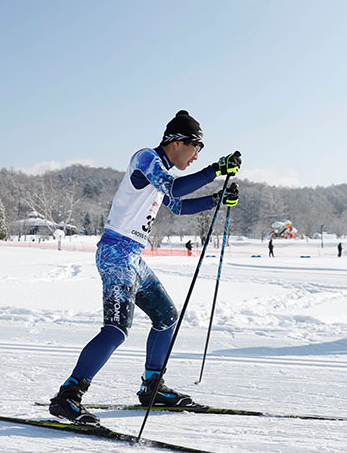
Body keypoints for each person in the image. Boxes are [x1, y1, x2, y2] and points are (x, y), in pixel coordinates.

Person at [48, 110, 241, 425]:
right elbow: (175, 189)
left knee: (166, 318)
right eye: (197, 148)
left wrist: (217, 199)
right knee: (116, 330)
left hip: (133, 257)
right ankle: (68, 395)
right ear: (176, 142)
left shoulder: (160, 173)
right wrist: (215, 169)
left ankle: (153, 386)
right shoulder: (146, 159)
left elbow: (177, 205)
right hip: (115, 255)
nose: (196, 156)